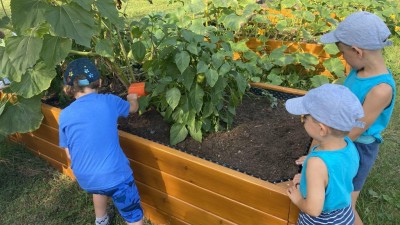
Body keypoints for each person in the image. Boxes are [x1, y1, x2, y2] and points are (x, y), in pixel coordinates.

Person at [294, 11, 396, 225]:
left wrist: (323, 151)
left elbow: (357, 128)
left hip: (356, 146)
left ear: (357, 51)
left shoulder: (381, 89)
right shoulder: (358, 70)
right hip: (339, 138)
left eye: (343, 53)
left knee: (345, 203)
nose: (343, 58)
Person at [59, 58, 143, 225]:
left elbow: (68, 152)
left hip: (86, 177)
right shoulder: (109, 101)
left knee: (100, 188)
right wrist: (132, 97)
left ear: (68, 88)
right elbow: (132, 109)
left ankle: (101, 220)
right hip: (116, 175)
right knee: (133, 213)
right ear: (99, 81)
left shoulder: (64, 114)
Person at [286, 84, 365, 225]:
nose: (302, 120)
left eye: (304, 117)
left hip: (322, 220)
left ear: (321, 129)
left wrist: (298, 198)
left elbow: (313, 209)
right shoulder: (348, 145)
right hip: (343, 213)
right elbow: (334, 178)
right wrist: (305, 180)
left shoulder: (316, 164)